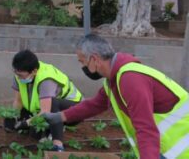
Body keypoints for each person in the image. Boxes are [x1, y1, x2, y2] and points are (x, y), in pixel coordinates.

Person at [42, 34, 189, 159]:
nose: (82, 67)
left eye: (82, 61)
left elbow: (145, 129)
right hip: (171, 148)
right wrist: (60, 116)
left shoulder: (130, 79)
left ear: (94, 59)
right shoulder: (114, 80)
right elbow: (94, 105)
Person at [8, 49, 83, 151]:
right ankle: (50, 128)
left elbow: (45, 111)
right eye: (16, 72)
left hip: (74, 109)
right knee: (35, 135)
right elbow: (18, 101)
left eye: (20, 74)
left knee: (53, 104)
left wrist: (25, 123)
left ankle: (58, 144)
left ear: (34, 71)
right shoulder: (20, 75)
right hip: (51, 107)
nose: (17, 76)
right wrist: (13, 117)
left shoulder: (46, 80)